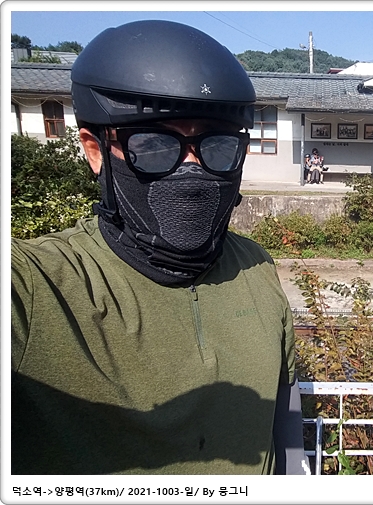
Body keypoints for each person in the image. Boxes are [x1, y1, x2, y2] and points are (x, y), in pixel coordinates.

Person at [11, 20, 309, 476]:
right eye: (153, 145)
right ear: (95, 151)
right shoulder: (38, 286)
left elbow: (284, 412)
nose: (192, 167)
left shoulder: (255, 266)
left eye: (217, 144)